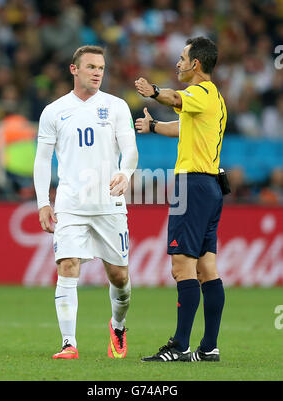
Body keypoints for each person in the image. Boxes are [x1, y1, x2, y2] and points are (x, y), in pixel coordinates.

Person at [33, 45, 138, 360]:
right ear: (73, 69)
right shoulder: (54, 111)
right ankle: (69, 343)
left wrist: (126, 172)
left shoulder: (117, 106)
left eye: (101, 68)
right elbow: (42, 160)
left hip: (109, 203)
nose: (97, 73)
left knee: (119, 277)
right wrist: (42, 201)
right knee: (67, 266)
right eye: (91, 67)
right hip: (70, 204)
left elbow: (130, 149)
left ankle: (117, 326)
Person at [135, 36, 227, 362]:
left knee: (181, 265)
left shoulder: (198, 92)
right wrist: (155, 126)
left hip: (192, 186)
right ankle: (209, 347)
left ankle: (181, 346)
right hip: (211, 186)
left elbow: (175, 97)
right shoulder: (212, 99)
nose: (178, 63)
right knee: (206, 266)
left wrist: (155, 92)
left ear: (195, 64)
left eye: (182, 57)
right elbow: (183, 127)